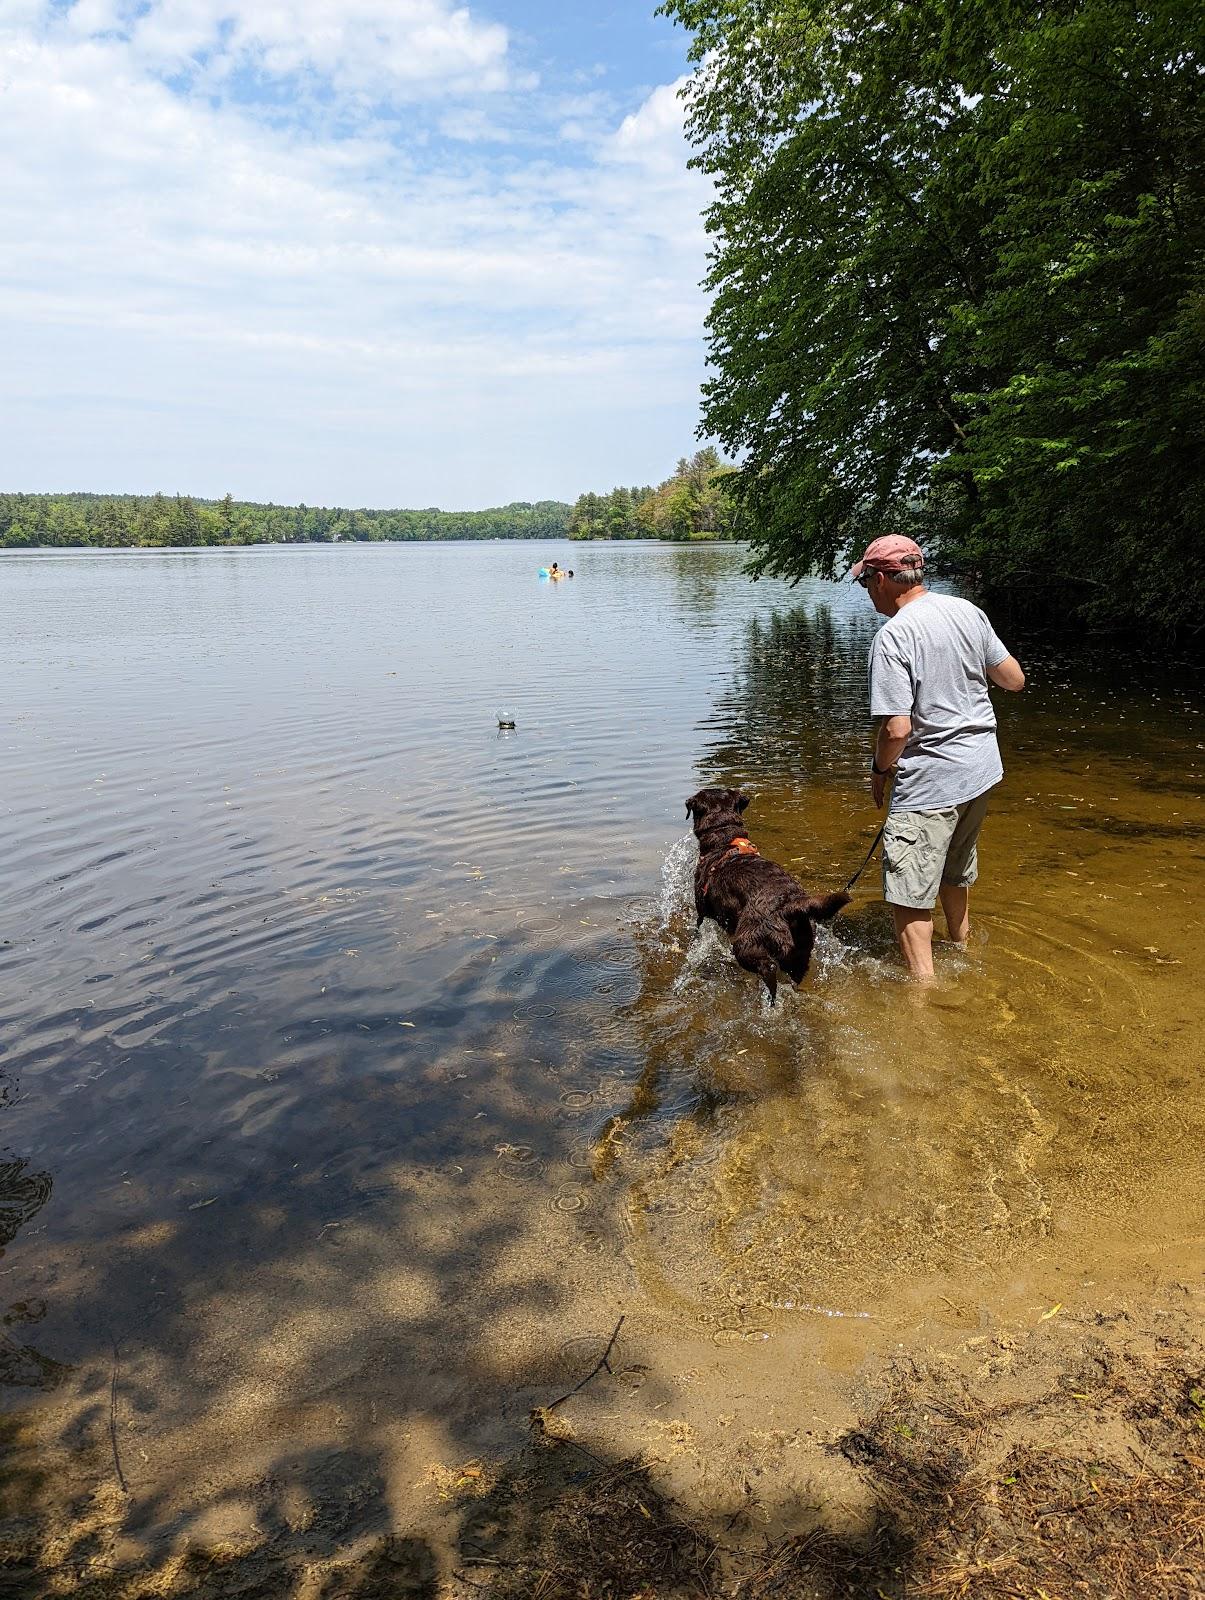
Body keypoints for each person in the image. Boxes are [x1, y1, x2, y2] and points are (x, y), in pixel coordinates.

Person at [852, 535, 1025, 980]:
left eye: (867, 579)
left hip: (932, 779)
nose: (867, 589)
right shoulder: (967, 611)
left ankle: (922, 1000)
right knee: (955, 867)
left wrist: (879, 769)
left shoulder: (893, 636)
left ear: (886, 579)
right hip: (981, 768)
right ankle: (964, 950)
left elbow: (897, 729)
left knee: (908, 895)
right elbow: (1012, 679)